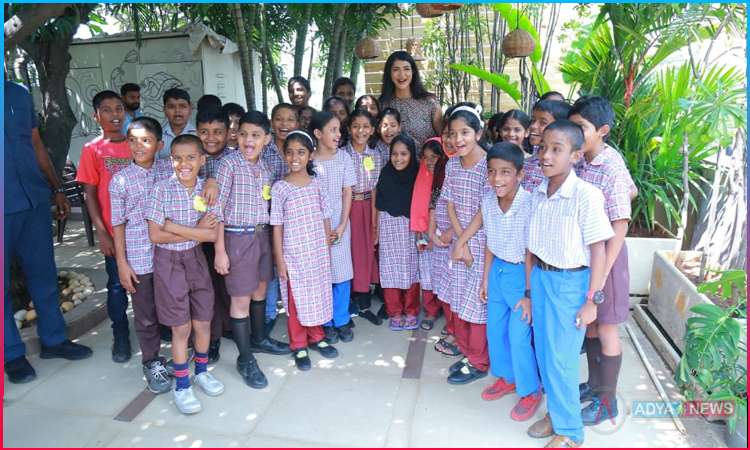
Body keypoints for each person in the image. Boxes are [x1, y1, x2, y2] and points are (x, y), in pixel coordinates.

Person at [525, 120, 613, 448]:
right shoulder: (537, 193)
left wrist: (592, 300)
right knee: (546, 355)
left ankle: (572, 433)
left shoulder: (585, 196)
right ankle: (556, 415)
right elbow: (531, 248)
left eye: (556, 150)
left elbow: (599, 250)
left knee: (562, 360)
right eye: (543, 147)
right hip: (542, 279)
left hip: (570, 283)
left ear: (575, 155)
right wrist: (530, 292)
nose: (546, 155)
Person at [4, 80, 92, 384]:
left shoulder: (18, 93)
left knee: (44, 275)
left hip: (33, 201)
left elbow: (36, 144)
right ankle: (11, 355)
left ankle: (54, 341)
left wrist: (57, 189)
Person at [451, 142, 542, 421]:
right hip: (497, 271)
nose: (497, 179)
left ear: (520, 175)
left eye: (505, 172)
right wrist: (485, 279)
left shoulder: (530, 202)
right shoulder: (489, 199)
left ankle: (531, 390)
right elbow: (489, 240)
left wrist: (527, 293)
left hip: (521, 275)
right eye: (492, 172)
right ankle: (507, 377)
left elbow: (531, 253)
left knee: (518, 336)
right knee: (495, 332)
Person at [146, 134, 225, 415]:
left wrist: (174, 226)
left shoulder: (208, 189)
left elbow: (212, 233)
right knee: (181, 327)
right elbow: (155, 235)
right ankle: (182, 385)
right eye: (178, 158)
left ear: (202, 160)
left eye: (191, 157)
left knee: (203, 321)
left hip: (195, 259)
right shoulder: (160, 190)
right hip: (168, 262)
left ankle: (201, 371)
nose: (184, 163)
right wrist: (195, 230)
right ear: (171, 161)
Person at [569, 96, 634, 425]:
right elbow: (632, 191)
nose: (576, 134)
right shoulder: (582, 160)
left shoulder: (611, 165)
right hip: (587, 255)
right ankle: (596, 386)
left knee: (606, 326)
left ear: (603, 130)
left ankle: (608, 400)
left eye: (582, 128)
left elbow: (620, 225)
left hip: (607, 258)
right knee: (592, 326)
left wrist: (601, 277)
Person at [214, 110, 291, 390]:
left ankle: (259, 340)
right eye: (244, 134)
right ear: (236, 135)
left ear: (266, 139)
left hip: (262, 235)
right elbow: (216, 209)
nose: (249, 140)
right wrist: (220, 250)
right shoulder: (228, 165)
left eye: (256, 136)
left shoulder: (267, 167)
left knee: (260, 289)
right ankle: (245, 359)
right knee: (240, 300)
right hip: (237, 238)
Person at [109, 116, 174, 393]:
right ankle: (151, 362)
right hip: (140, 258)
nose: (138, 146)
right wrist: (122, 264)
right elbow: (118, 224)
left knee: (175, 307)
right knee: (145, 314)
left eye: (145, 140)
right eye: (133, 140)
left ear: (159, 145)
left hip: (171, 253)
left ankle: (178, 353)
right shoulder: (120, 180)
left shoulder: (170, 170)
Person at [271, 130, 339, 371]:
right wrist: (280, 260)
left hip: (317, 254)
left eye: (301, 152)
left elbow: (326, 218)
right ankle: (298, 343)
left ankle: (317, 337)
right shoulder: (280, 188)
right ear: (283, 155)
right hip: (293, 256)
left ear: (311, 155)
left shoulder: (317, 185)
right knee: (296, 300)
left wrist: (327, 248)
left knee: (317, 296)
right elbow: (277, 227)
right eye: (289, 152)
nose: (294, 157)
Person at [76, 90, 134, 362]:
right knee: (115, 286)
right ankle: (120, 335)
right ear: (96, 116)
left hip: (141, 231)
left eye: (119, 109)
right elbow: (89, 194)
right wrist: (101, 232)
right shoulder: (93, 149)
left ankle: (156, 327)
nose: (114, 115)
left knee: (148, 284)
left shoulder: (137, 143)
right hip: (113, 233)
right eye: (107, 110)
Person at [441, 104, 490, 385]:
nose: (458, 139)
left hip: (479, 242)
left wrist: (466, 243)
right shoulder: (451, 164)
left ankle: (479, 361)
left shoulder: (487, 165)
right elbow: (448, 202)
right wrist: (459, 240)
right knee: (459, 297)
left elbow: (485, 209)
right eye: (453, 133)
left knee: (477, 304)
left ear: (478, 133)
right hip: (460, 241)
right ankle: (469, 353)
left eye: (465, 133)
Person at [310, 112, 357, 343]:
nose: (338, 134)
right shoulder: (310, 161)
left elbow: (348, 192)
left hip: (339, 224)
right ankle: (326, 321)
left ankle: (341, 319)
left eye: (339, 129)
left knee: (341, 272)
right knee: (323, 273)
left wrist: (342, 224)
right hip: (315, 226)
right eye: (333, 130)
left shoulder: (344, 158)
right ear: (318, 134)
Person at [195, 107, 234, 362]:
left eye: (218, 132)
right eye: (205, 132)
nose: (211, 138)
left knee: (225, 285)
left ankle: (228, 327)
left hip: (228, 234)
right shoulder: (190, 158)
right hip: (196, 235)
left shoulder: (234, 158)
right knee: (204, 288)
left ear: (228, 132)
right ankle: (212, 338)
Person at [374, 134, 421, 330]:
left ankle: (410, 310)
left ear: (412, 155)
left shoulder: (418, 175)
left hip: (411, 228)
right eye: (394, 154)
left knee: (411, 269)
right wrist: (375, 230)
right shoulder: (385, 174)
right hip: (389, 226)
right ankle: (394, 311)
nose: (398, 158)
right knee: (390, 269)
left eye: (404, 154)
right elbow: (378, 204)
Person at [261, 102, 300, 335]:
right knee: (271, 266)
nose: (284, 124)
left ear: (297, 123)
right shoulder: (263, 150)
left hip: (294, 219)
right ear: (271, 122)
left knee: (292, 263)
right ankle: (269, 312)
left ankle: (296, 310)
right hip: (267, 216)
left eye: (289, 119)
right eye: (278, 119)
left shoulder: (301, 148)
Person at [343, 109, 385, 326]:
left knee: (367, 252)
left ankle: (364, 302)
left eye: (366, 127)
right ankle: (352, 302)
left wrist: (374, 220)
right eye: (356, 126)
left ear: (372, 130)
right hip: (349, 206)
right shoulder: (342, 154)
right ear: (349, 129)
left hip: (368, 205)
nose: (361, 131)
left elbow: (376, 188)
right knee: (350, 252)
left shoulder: (375, 155)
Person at [413, 137, 447, 331]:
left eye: (434, 157)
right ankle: (431, 310)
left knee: (442, 273)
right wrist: (422, 231)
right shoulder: (422, 175)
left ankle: (444, 308)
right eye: (426, 158)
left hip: (443, 233)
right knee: (426, 273)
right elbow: (418, 206)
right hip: (423, 231)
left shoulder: (446, 177)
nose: (430, 162)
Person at [379, 50, 442, 149]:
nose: (402, 75)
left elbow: (443, 137)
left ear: (413, 71)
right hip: (396, 162)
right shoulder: (383, 104)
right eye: (396, 69)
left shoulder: (430, 102)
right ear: (389, 73)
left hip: (426, 163)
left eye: (406, 69)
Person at [521, 100, 571, 192]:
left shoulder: (565, 168)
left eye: (543, 123)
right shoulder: (526, 164)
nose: (533, 126)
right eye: (533, 120)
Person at [159, 88, 197, 159]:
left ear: (190, 109)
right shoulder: (157, 136)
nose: (177, 111)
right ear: (164, 110)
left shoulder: (199, 135)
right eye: (171, 107)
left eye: (182, 106)